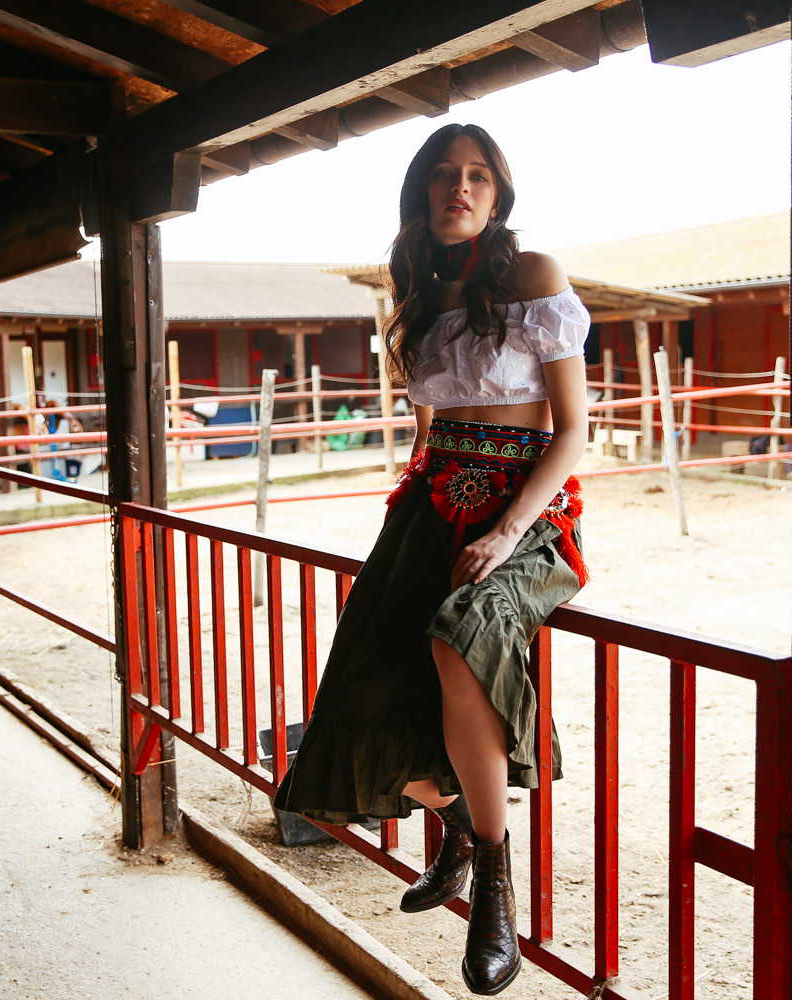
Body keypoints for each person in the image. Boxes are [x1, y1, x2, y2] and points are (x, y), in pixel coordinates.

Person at [273, 123, 591, 995]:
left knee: (461, 635)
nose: (462, 188)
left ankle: (493, 885)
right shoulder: (415, 289)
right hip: (431, 504)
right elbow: (429, 426)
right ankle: (453, 830)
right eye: (446, 174)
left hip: (527, 508)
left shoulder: (534, 276)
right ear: (421, 189)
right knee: (365, 687)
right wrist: (413, 513)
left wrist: (506, 530)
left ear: (499, 194)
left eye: (479, 176)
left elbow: (572, 432)